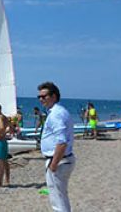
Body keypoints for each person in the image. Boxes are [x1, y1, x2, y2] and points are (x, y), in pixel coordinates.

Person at [38, 81, 76, 212]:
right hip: (62, 159)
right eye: (39, 97)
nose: (41, 99)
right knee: (60, 197)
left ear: (54, 96)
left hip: (59, 161)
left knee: (58, 201)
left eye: (44, 96)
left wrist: (53, 164)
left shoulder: (56, 114)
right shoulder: (58, 111)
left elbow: (62, 141)